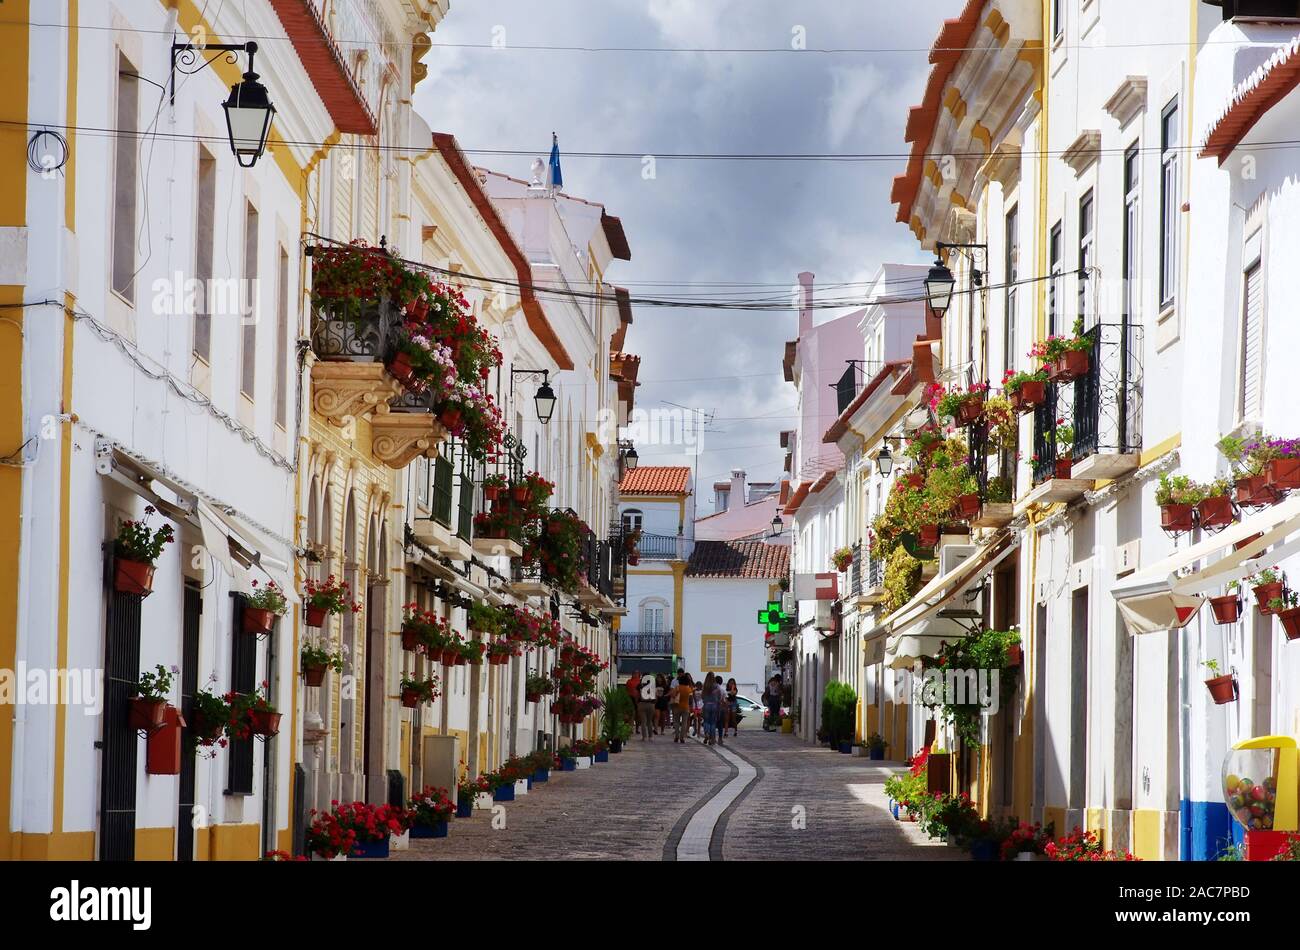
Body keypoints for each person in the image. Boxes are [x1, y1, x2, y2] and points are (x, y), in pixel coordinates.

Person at [673, 673, 693, 743]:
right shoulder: (688, 689)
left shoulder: (677, 687)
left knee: (676, 722)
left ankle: (676, 736)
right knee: (684, 723)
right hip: (686, 707)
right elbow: (691, 699)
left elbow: (673, 695)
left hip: (677, 706)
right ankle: (682, 737)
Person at [637, 670, 657, 740]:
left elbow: (637, 695)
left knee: (643, 721)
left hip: (642, 703)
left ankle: (644, 737)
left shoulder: (640, 686)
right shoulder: (652, 686)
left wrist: (637, 703)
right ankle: (650, 736)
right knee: (649, 721)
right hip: (650, 704)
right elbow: (655, 697)